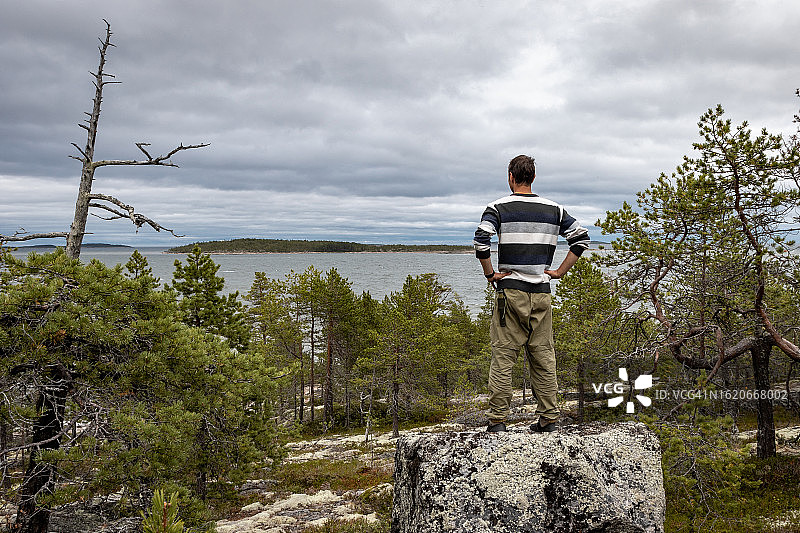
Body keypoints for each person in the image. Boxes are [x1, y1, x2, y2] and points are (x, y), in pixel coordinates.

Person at [474, 155, 590, 433]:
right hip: (541, 293)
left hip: (510, 292)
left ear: (510, 177)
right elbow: (581, 238)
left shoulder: (498, 207)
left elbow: (481, 240)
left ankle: (498, 421)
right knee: (543, 355)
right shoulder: (555, 210)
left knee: (503, 356)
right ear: (533, 177)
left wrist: (490, 274)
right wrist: (559, 272)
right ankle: (549, 419)